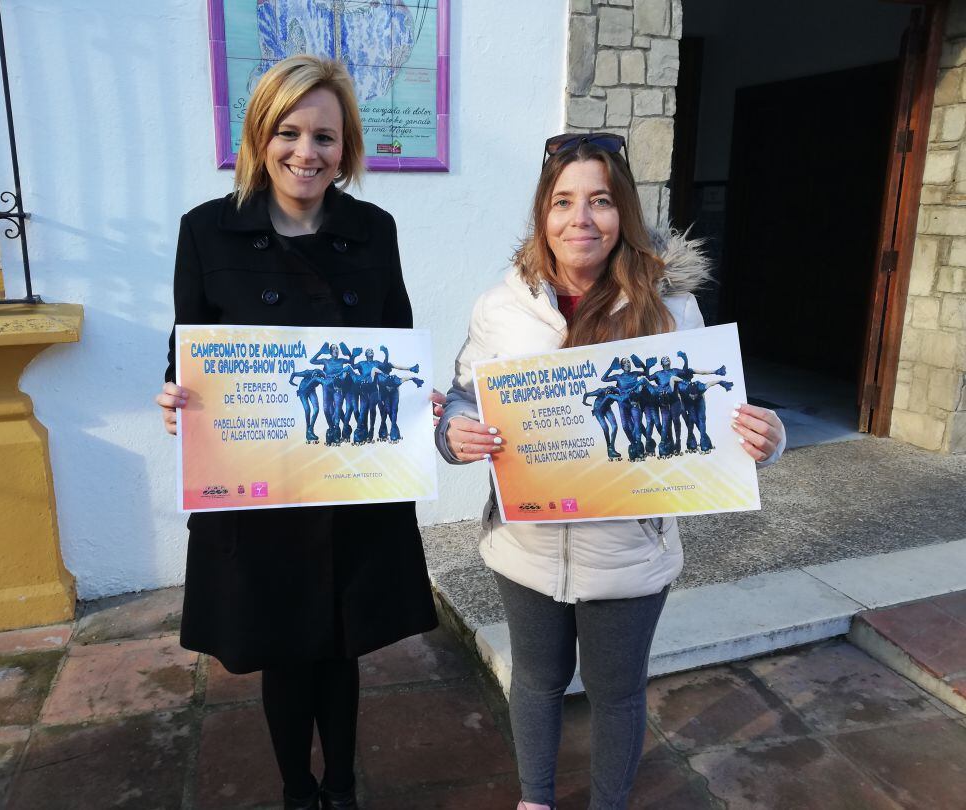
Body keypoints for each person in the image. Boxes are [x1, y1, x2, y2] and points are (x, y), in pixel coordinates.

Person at [435, 133, 786, 810]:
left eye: (600, 200)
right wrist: (454, 432)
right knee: (536, 682)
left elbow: (719, 411)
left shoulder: (670, 307)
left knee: (617, 691)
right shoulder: (501, 307)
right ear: (543, 213)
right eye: (564, 201)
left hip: (629, 549)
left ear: (623, 210)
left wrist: (762, 438)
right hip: (525, 545)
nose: (581, 219)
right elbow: (459, 397)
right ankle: (535, 799)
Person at [155, 55, 441, 810]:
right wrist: (174, 395)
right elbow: (187, 346)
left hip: (351, 481)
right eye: (288, 131)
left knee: (341, 646)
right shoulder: (207, 231)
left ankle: (342, 789)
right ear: (260, 134)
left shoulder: (373, 231)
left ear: (346, 147)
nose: (306, 152)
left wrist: (419, 396)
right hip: (261, 493)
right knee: (284, 649)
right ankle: (297, 790)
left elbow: (395, 342)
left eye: (325, 135)